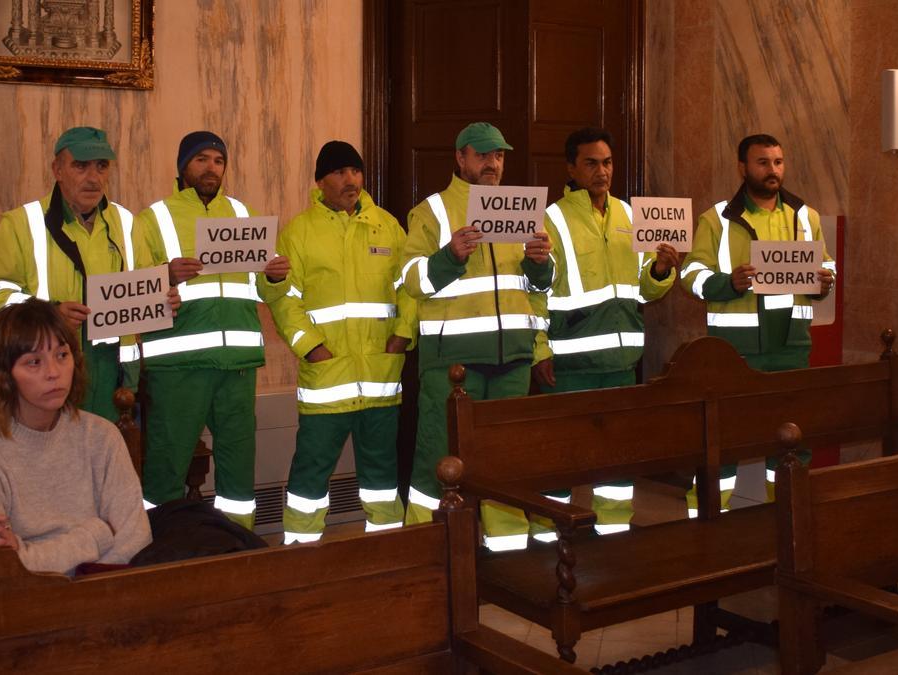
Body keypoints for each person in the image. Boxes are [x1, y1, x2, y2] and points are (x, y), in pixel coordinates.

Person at [399, 122, 553, 550]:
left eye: (499, 155)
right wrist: (449, 256)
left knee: (504, 462)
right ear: (460, 158)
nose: (493, 163)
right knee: (439, 458)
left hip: (512, 359)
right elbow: (411, 280)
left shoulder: (523, 209)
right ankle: (426, 550)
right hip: (452, 363)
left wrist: (540, 265)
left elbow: (541, 289)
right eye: (482, 155)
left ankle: (508, 554)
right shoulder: (431, 211)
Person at [131, 131, 290, 529]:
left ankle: (236, 545)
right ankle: (160, 544)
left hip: (237, 363)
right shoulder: (155, 217)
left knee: (238, 465)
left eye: (218, 160)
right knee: (167, 463)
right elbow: (129, 290)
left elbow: (259, 289)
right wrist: (163, 275)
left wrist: (272, 277)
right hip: (177, 364)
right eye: (201, 159)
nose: (211, 168)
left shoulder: (241, 213)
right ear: (183, 166)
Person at [530, 128, 678, 538]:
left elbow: (645, 289)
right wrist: (539, 350)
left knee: (616, 464)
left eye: (608, 162)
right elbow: (534, 292)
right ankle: (545, 543)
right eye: (592, 163)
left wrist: (662, 270)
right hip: (569, 364)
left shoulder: (631, 216)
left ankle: (614, 542)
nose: (602, 171)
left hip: (621, 364)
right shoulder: (550, 218)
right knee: (559, 462)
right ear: (572, 169)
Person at [268, 141, 416, 544]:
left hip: (380, 377)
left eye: (355, 171)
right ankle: (301, 550)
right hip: (327, 380)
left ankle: (387, 551)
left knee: (382, 477)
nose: (350, 179)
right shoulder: (298, 233)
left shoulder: (387, 225)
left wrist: (402, 336)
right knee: (310, 474)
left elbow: (409, 288)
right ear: (320, 181)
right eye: (339, 172)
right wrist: (311, 347)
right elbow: (284, 300)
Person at [681, 133, 836, 513]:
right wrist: (728, 282)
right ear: (743, 168)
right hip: (735, 352)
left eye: (778, 162)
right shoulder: (716, 218)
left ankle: (786, 521)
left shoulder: (806, 215)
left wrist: (824, 280)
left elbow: (826, 265)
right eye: (763, 162)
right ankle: (703, 526)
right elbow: (691, 274)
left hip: (791, 349)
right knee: (724, 447)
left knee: (790, 447)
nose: (773, 170)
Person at [0, 126, 176, 421]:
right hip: (47, 376)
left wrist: (163, 300)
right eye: (81, 166)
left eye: (101, 166)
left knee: (106, 463)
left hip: (116, 382)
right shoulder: (21, 223)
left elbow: (145, 286)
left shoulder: (128, 223)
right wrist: (49, 313)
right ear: (57, 169)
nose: (93, 178)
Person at [0, 299, 152, 575]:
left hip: (103, 591)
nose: (54, 373)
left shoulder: (102, 435)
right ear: (3, 375)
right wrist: (95, 534)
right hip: (22, 608)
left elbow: (135, 540)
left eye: (62, 355)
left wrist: (27, 554)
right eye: (34, 362)